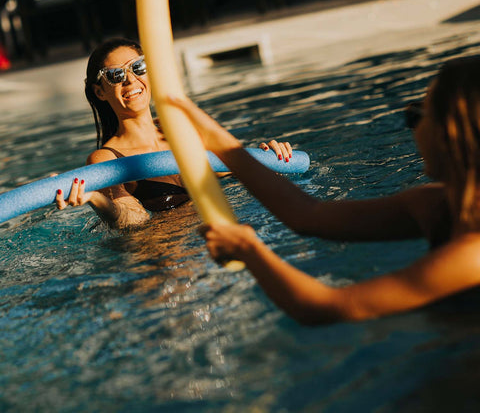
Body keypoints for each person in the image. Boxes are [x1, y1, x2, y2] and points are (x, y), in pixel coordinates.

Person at [168, 55, 480, 325]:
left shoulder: (471, 256)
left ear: (451, 134)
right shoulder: (436, 204)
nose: (412, 128)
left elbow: (327, 307)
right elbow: (307, 214)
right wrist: (217, 140)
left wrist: (249, 249)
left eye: (416, 116)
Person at [56, 38, 292, 228]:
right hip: (161, 257)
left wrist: (269, 160)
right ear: (100, 92)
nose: (130, 80)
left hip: (215, 240)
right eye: (115, 75)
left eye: (138, 67)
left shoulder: (181, 129)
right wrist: (96, 199)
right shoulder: (106, 158)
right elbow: (133, 219)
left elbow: (234, 169)